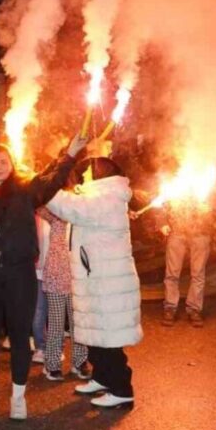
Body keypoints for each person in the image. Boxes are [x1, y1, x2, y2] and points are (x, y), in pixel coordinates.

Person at [0, 134, 86, 421]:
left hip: (20, 273)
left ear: (12, 164)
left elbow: (51, 180)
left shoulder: (24, 189)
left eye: (3, 161)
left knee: (21, 336)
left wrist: (69, 154)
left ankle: (18, 396)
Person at [46, 157, 140, 410]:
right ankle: (101, 377)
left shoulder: (107, 197)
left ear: (101, 173)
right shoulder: (101, 195)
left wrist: (44, 187)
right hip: (96, 277)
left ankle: (122, 389)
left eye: (88, 171)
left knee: (109, 337)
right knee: (96, 334)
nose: (84, 175)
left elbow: (69, 207)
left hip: (107, 281)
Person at [38, 203, 89, 381]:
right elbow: (39, 205)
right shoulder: (55, 214)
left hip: (78, 274)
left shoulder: (82, 215)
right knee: (56, 322)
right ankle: (52, 364)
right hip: (57, 274)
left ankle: (80, 362)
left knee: (79, 323)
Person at [161, 201, 216, 327]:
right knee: (172, 273)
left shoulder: (207, 183)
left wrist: (210, 213)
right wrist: (162, 222)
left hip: (201, 232)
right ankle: (170, 308)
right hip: (177, 231)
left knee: (198, 273)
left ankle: (194, 309)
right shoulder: (175, 181)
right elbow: (164, 200)